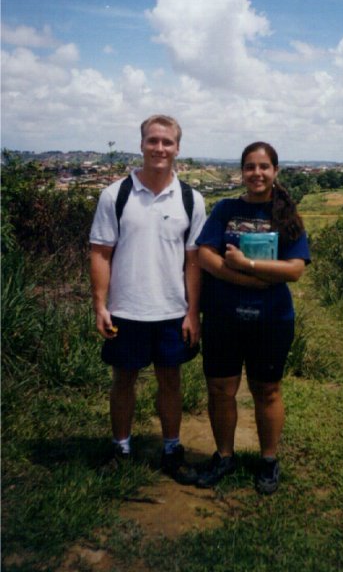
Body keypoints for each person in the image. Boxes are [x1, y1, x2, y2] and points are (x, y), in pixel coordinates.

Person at [89, 114, 206, 483]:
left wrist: (193, 312)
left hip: (172, 310)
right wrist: (100, 305)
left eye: (167, 142)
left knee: (170, 380)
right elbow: (100, 253)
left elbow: (193, 260)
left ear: (177, 148)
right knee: (123, 379)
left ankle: (171, 449)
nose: (159, 148)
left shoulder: (191, 198)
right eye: (152, 141)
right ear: (141, 145)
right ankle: (120, 448)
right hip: (126, 308)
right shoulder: (116, 194)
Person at [195, 142, 310, 494]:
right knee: (220, 388)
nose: (256, 173)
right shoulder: (225, 209)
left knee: (267, 390)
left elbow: (294, 270)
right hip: (222, 316)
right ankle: (225, 456)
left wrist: (247, 264)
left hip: (271, 320)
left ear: (275, 171)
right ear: (241, 172)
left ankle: (268, 461)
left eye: (263, 166)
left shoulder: (287, 216)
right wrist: (249, 279)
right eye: (250, 167)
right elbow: (205, 256)